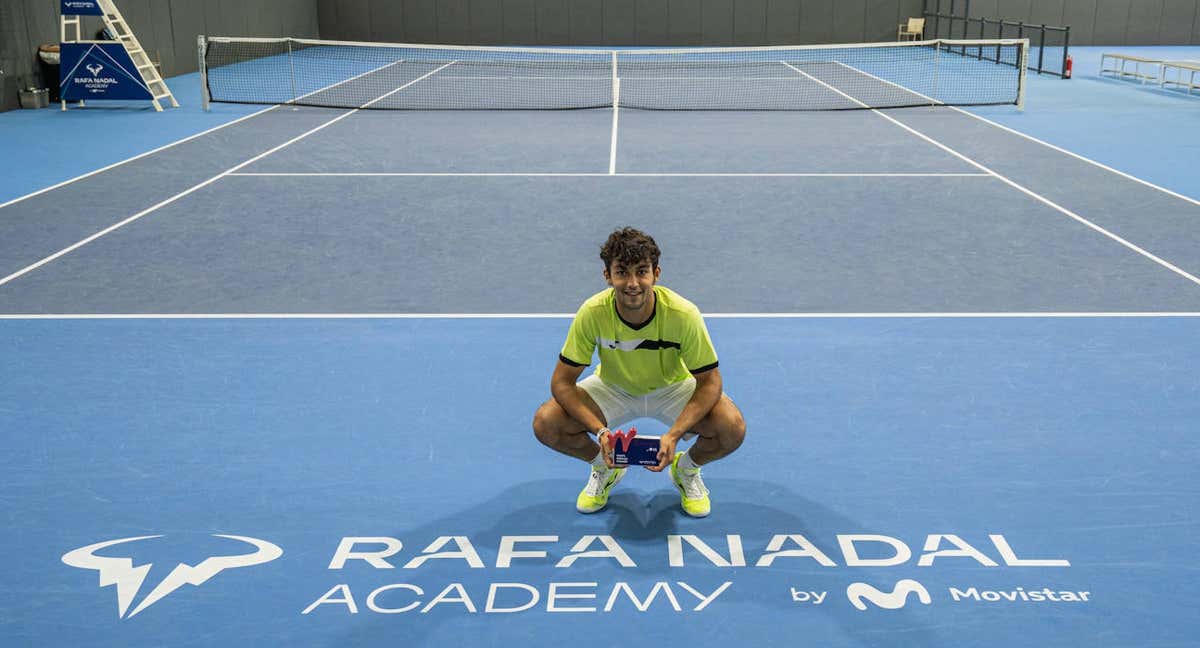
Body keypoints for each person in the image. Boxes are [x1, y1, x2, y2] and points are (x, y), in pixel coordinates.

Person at [532, 227, 746, 517]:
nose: (632, 283)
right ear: (607, 276)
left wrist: (674, 435)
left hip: (673, 388)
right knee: (547, 422)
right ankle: (605, 467)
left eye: (641, 272)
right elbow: (562, 382)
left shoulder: (683, 315)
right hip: (613, 388)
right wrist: (601, 432)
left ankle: (685, 470)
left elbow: (709, 382)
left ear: (656, 273)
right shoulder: (592, 312)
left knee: (731, 427)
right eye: (622, 272)